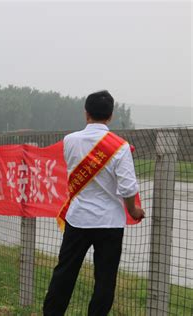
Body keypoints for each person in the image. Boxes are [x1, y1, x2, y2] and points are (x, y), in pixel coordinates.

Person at [43, 90, 145, 315]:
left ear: (86, 113)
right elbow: (128, 187)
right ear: (110, 116)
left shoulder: (70, 141)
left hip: (78, 219)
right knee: (105, 280)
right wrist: (134, 210)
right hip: (109, 223)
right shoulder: (120, 146)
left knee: (65, 273)